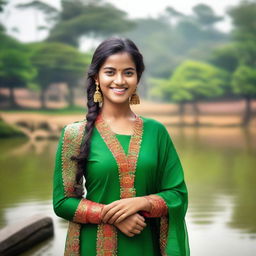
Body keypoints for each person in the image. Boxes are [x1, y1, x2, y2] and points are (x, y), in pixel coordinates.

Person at [52, 37, 190, 256]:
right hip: (95, 246)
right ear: (97, 77)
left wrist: (141, 203)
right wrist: (115, 216)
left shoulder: (157, 132)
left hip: (146, 244)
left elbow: (177, 194)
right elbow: (62, 202)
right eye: (110, 72)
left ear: (137, 78)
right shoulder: (74, 135)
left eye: (128, 72)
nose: (119, 80)